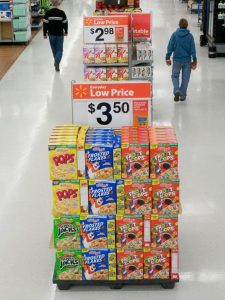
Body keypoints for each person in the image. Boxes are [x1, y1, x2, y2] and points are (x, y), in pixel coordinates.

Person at [165, 18, 197, 102]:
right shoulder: (190, 36)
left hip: (176, 60)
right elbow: (193, 49)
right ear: (187, 26)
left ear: (179, 25)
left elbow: (170, 47)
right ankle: (182, 96)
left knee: (175, 76)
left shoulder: (175, 35)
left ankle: (176, 90)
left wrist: (167, 57)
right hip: (187, 61)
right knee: (185, 78)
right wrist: (195, 60)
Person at [43, 0, 68, 72]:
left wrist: (44, 34)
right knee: (60, 50)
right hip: (60, 34)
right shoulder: (62, 13)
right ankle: (57, 62)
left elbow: (45, 24)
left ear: (51, 3)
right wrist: (66, 31)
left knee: (54, 49)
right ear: (58, 4)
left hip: (51, 34)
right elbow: (65, 23)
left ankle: (56, 62)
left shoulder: (47, 13)